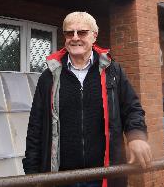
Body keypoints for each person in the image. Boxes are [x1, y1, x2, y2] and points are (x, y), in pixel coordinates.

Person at [23, 11, 152, 187]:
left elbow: (132, 108)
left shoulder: (113, 72)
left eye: (82, 32)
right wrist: (31, 174)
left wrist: (136, 136)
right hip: (60, 179)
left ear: (94, 36)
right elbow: (35, 126)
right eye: (69, 33)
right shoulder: (49, 77)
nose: (75, 38)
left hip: (104, 176)